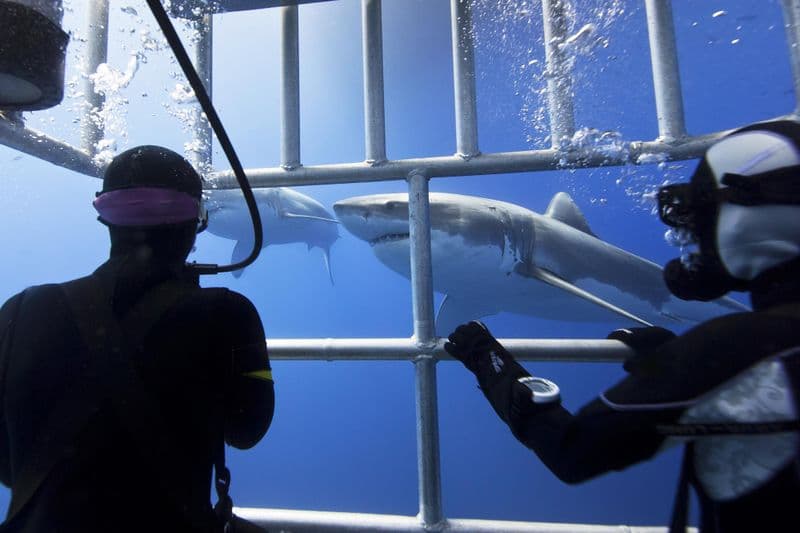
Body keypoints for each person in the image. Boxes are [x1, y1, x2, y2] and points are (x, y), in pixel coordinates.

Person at [445, 120, 800, 532]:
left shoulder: (731, 346)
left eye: (701, 215)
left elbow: (573, 452)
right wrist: (667, 364)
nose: (689, 235)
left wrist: (489, 363)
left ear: (744, 221)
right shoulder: (744, 349)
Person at [0, 146, 275, 532]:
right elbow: (248, 431)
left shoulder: (21, 308)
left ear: (105, 216)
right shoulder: (229, 313)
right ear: (196, 222)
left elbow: (8, 465)